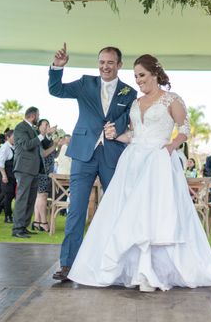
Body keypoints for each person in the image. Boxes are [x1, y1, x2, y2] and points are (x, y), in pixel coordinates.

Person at [68, 54, 211, 291]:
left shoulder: (172, 99)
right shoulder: (135, 103)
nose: (138, 81)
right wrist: (115, 135)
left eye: (142, 75)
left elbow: (185, 128)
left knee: (154, 214)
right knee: (129, 213)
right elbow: (134, 135)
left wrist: (170, 147)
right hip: (133, 161)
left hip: (158, 161)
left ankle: (153, 270)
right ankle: (133, 269)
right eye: (136, 76)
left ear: (155, 74)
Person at [49, 44, 137, 281]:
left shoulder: (129, 92)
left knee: (116, 210)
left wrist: (115, 129)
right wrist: (57, 67)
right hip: (83, 155)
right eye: (101, 62)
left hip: (112, 155)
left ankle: (114, 263)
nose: (105, 66)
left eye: (110, 62)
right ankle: (68, 265)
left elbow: (129, 120)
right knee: (75, 210)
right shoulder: (85, 83)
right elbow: (56, 90)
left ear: (119, 65)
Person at [11, 107, 55, 238]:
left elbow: (44, 144)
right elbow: (26, 145)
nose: (39, 117)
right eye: (38, 115)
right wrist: (41, 135)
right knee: (22, 199)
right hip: (24, 168)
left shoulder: (33, 129)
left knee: (30, 200)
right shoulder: (20, 127)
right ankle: (17, 229)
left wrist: (48, 134)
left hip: (34, 169)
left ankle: (23, 226)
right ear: (32, 116)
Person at [33, 119, 59, 232]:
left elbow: (53, 154)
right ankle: (43, 222)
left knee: (40, 196)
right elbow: (43, 154)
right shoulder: (38, 138)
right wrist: (55, 145)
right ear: (39, 127)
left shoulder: (47, 139)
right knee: (41, 196)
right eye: (45, 125)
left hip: (47, 171)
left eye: (48, 124)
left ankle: (37, 221)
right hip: (41, 170)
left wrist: (57, 145)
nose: (48, 126)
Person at [0, 129, 15, 223]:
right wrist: (4, 176)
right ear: (8, 137)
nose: (15, 138)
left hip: (11, 174)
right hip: (4, 173)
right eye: (14, 137)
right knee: (8, 194)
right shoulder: (5, 148)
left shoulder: (13, 147)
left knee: (11, 194)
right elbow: (1, 164)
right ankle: (8, 216)